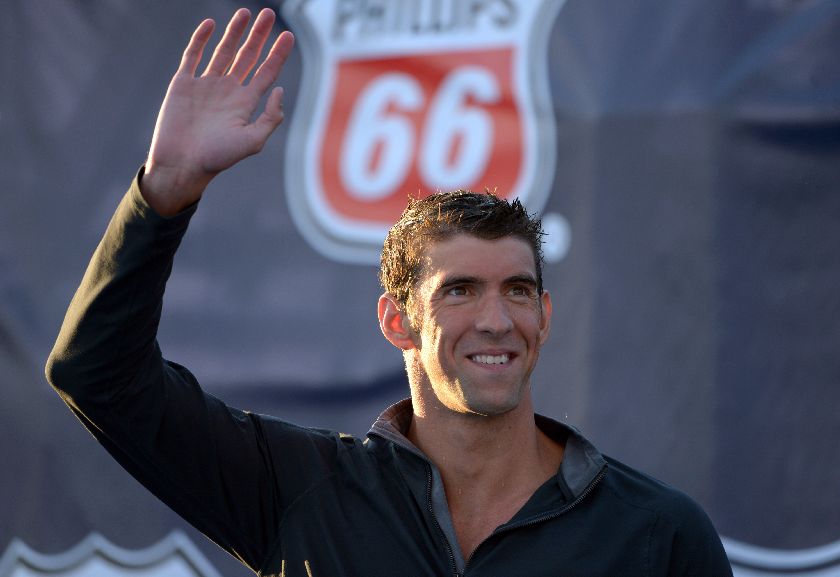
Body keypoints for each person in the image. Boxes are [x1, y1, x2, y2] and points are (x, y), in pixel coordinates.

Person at [46, 8, 733, 577]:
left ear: (545, 316)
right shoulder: (300, 490)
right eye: (460, 290)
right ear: (396, 321)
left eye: (518, 290)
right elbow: (97, 376)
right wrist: (162, 196)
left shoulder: (657, 535)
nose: (496, 319)